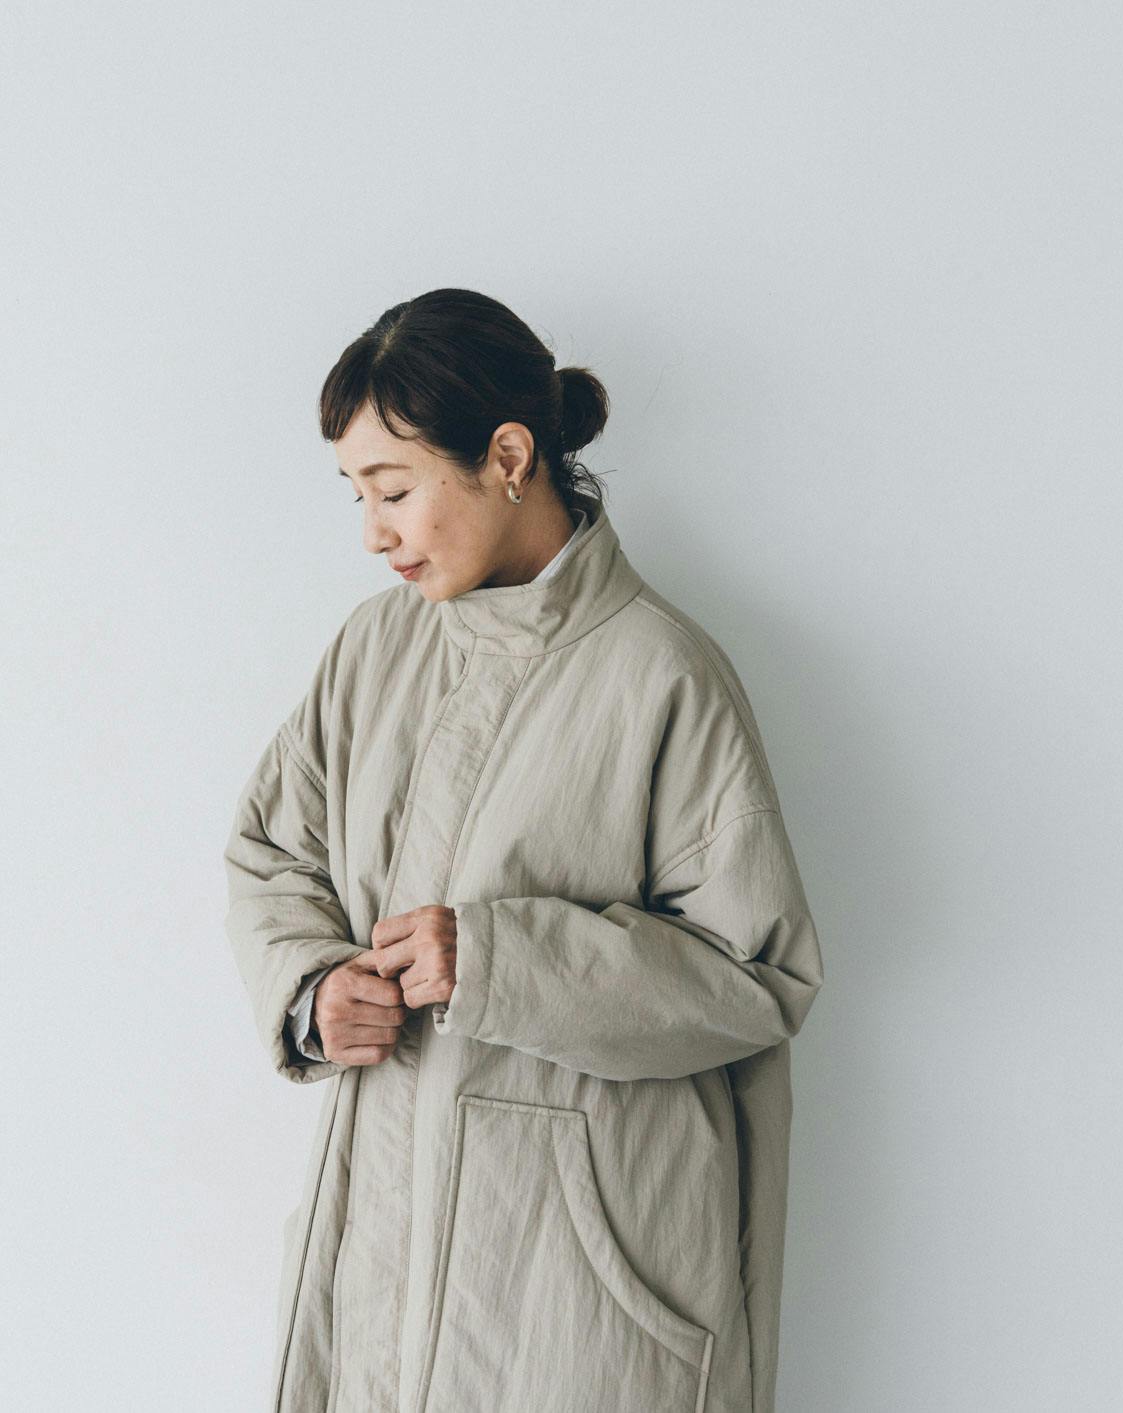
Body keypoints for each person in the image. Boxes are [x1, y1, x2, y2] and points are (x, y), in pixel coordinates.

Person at [223, 287, 824, 1413]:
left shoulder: (661, 672)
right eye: (356, 494)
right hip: (377, 1247)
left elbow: (757, 978)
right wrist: (313, 987)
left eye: (394, 489)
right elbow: (270, 850)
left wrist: (499, 960)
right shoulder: (373, 648)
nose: (373, 532)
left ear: (508, 456)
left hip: (574, 1282)